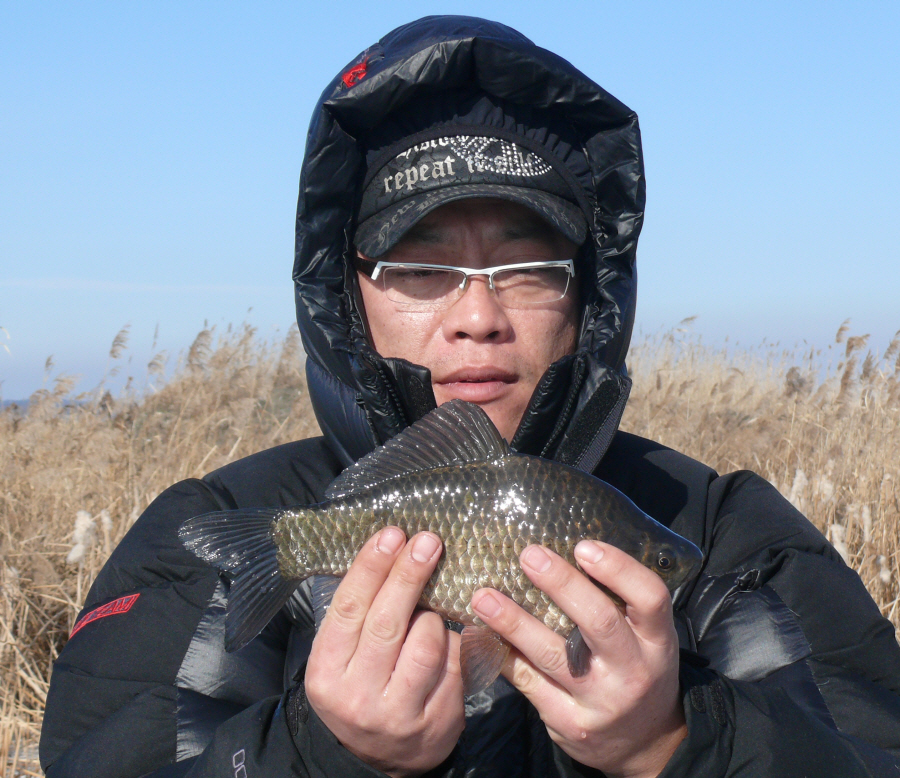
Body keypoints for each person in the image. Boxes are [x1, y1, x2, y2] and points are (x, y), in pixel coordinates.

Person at [40, 15, 900, 778]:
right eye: (422, 269)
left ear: (589, 294)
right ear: (346, 298)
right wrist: (318, 755)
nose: (479, 318)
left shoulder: (732, 538)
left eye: (528, 267)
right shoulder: (209, 531)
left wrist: (676, 743)